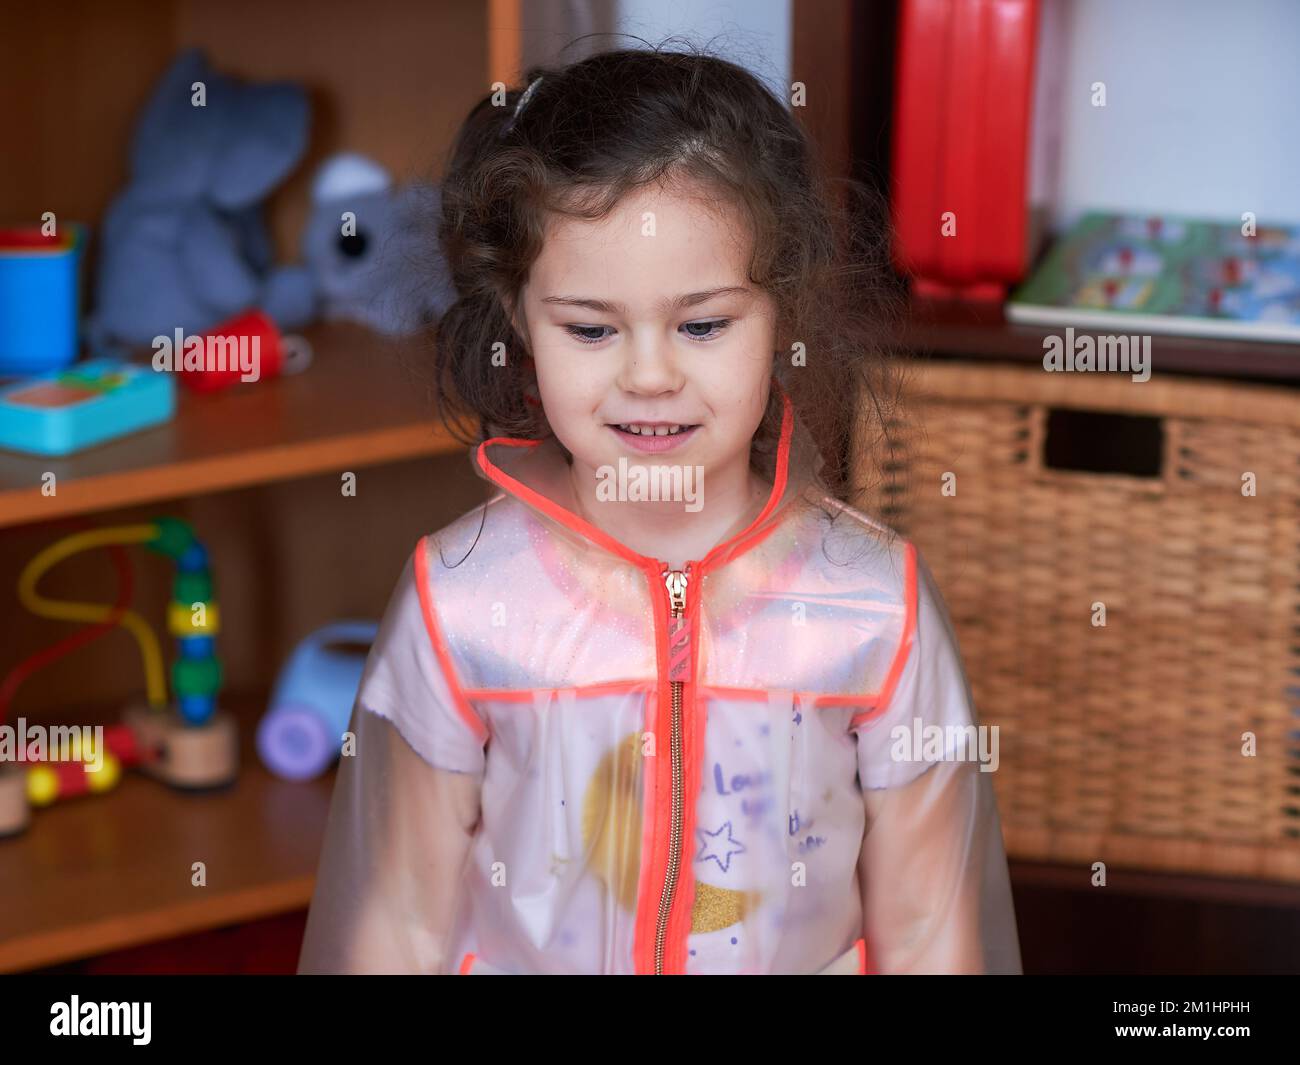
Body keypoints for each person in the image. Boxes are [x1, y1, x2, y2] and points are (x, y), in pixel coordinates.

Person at [297, 44, 1022, 975]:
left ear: (780, 314)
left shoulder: (872, 606)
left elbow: (928, 933)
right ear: (520, 319)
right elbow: (401, 923)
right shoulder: (465, 602)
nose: (648, 376)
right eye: (591, 329)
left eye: (704, 324)